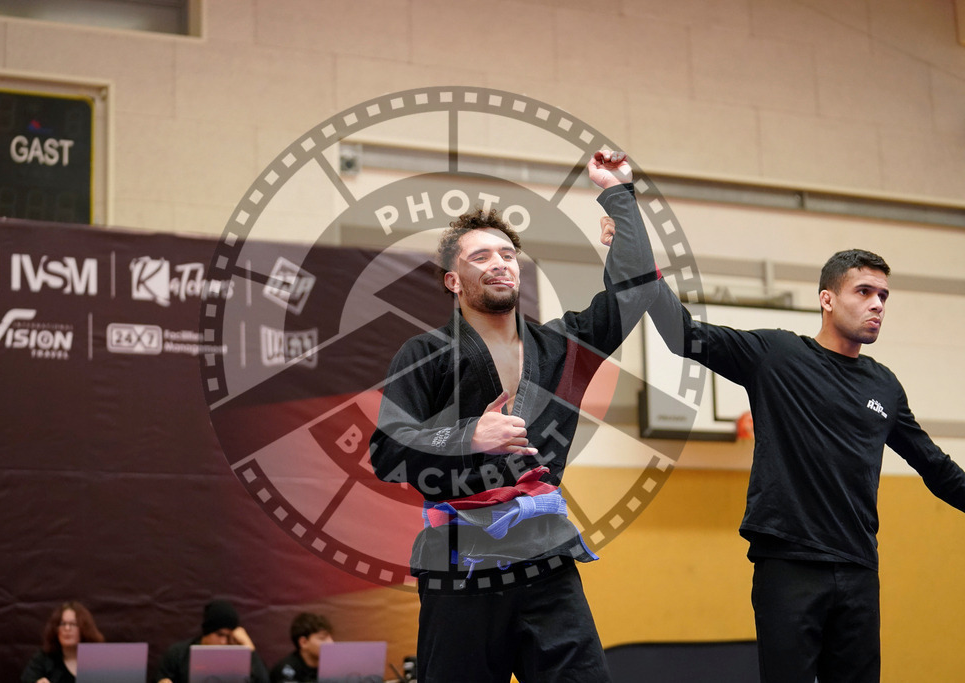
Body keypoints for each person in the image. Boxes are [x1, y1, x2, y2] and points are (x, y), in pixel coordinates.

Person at [613, 229, 965, 683]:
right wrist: (632, 251)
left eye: (883, 295)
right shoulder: (777, 355)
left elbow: (934, 466)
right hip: (789, 564)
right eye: (864, 291)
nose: (877, 304)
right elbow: (683, 335)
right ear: (827, 299)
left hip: (859, 567)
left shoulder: (884, 386)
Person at [370, 151, 660, 683]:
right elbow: (387, 452)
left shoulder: (562, 346)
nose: (501, 263)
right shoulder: (425, 353)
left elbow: (635, 290)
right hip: (459, 567)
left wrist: (619, 194)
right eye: (481, 257)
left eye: (507, 253)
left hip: (546, 559)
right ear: (453, 282)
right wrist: (466, 435)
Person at [156, 599, 269, 683]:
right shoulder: (179, 654)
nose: (224, 642)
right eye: (220, 635)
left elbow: (264, 681)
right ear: (207, 631)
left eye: (229, 637)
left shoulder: (236, 659)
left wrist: (250, 649)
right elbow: (161, 677)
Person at [21, 600, 104, 683]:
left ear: (84, 629)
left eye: (73, 624)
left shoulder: (99, 660)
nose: (67, 629)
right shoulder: (43, 659)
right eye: (62, 624)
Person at [269, 612, 334, 682]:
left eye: (331, 638)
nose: (331, 643)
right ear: (304, 642)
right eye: (322, 638)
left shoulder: (335, 667)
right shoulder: (286, 670)